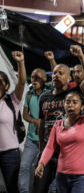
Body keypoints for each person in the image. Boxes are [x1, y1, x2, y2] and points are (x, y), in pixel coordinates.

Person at [33, 45, 84, 193]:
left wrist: (80, 55)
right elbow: (42, 124)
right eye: (54, 73)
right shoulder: (44, 96)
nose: (56, 75)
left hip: (67, 152)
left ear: (69, 78)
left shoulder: (73, 94)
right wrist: (41, 148)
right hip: (49, 149)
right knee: (38, 188)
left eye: (61, 73)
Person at [35, 74, 84, 193]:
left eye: (74, 102)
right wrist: (41, 163)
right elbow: (50, 146)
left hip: (83, 176)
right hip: (61, 175)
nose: (70, 105)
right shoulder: (58, 124)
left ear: (82, 106)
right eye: (67, 102)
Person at [19, 68, 49, 193]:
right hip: (32, 139)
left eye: (37, 77)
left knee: (46, 170)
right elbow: (25, 115)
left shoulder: (50, 93)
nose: (34, 79)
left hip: (47, 139)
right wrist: (35, 121)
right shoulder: (29, 93)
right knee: (24, 167)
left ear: (44, 79)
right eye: (32, 77)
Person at [0, 51, 26, 193]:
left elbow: (21, 82)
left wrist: (20, 62)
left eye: (0, 81)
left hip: (9, 154)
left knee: (12, 189)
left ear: (6, 85)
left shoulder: (12, 101)